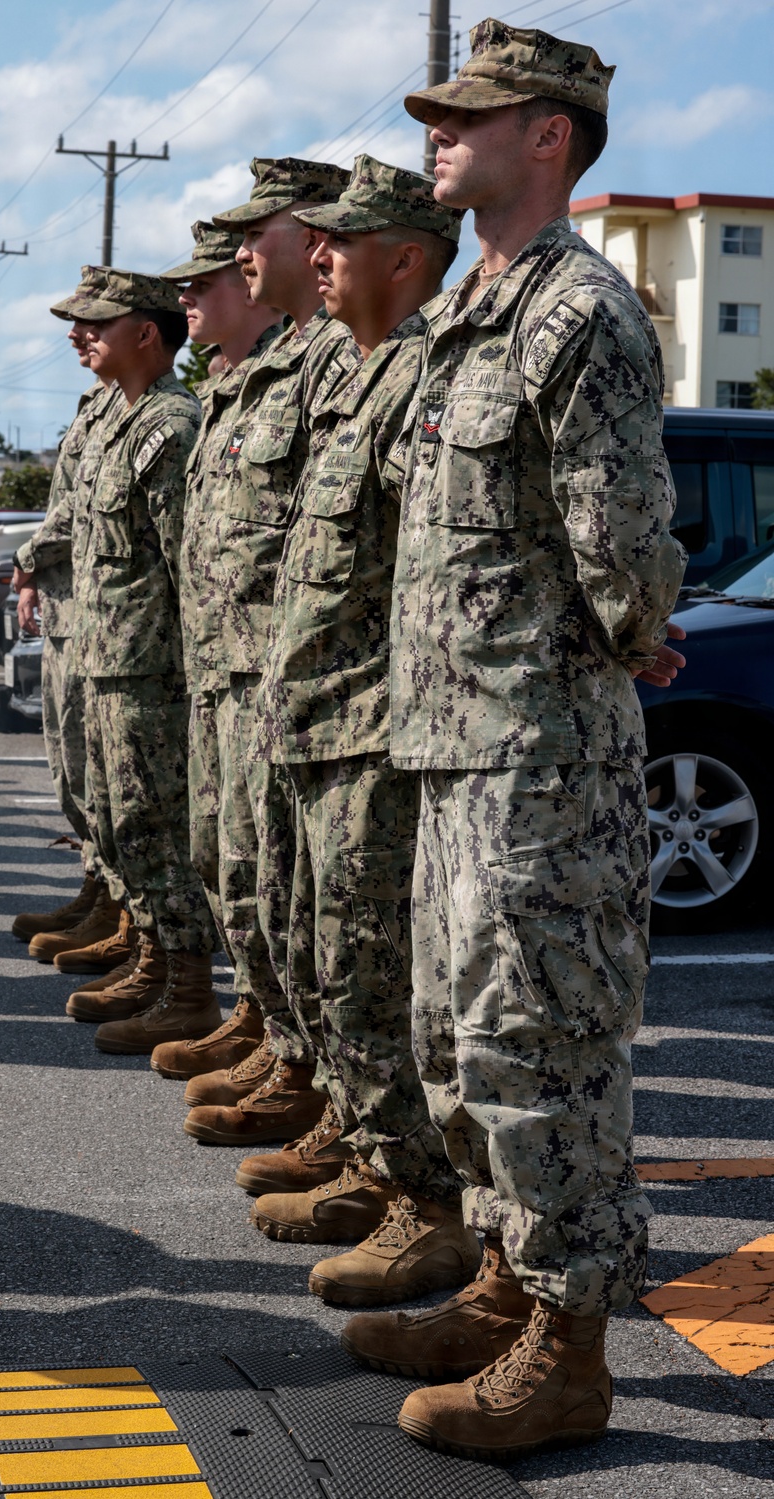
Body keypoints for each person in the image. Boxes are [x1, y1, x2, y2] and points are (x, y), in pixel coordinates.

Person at [339, 18, 688, 1463]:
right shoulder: (469, 313)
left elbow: (625, 538)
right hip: (452, 740)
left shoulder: (577, 313)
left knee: (539, 1042)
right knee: (458, 1041)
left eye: (467, 116)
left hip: (539, 755)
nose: (438, 133)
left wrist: (632, 627)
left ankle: (570, 1346)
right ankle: (503, 1281)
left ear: (549, 135)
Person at [241, 155, 482, 1312]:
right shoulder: (355, 371)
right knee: (326, 959)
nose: (318, 253)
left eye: (341, 239)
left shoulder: (421, 373)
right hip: (318, 722)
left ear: (406, 256)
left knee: (372, 974)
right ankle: (367, 1155)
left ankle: (424, 1205)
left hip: (375, 735)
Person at [175, 157, 363, 1151]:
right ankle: (278, 1037)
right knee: (247, 874)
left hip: (297, 679)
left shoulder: (341, 357)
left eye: (259, 232)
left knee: (303, 898)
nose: (243, 252)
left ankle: (315, 1075)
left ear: (317, 230)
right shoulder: (272, 366)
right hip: (238, 665)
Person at [16, 267, 220, 1054]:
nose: (80, 334)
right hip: (108, 655)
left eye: (97, 323)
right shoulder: (121, 419)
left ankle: (187, 988)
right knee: (122, 823)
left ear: (146, 333)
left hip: (152, 670)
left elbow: (186, 567)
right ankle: (154, 963)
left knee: (157, 828)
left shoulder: (170, 425)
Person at [146, 220, 283, 1084]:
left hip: (267, 677)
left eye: (206, 281)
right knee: (224, 859)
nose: (188, 297)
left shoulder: (293, 380)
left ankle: (287, 1045)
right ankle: (255, 1015)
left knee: (272, 877)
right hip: (215, 667)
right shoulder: (227, 390)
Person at [11, 305, 132, 967]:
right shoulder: (97, 405)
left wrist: (27, 555)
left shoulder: (150, 413)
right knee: (72, 773)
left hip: (105, 626)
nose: (75, 334)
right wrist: (35, 574)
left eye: (93, 321)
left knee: (101, 780)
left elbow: (79, 515)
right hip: (71, 613)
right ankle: (96, 890)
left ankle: (118, 907)